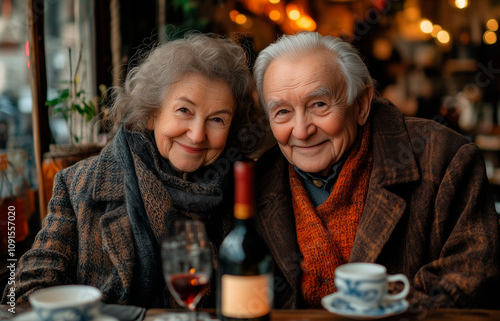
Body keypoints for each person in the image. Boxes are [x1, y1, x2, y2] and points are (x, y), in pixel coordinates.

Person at [2, 33, 256, 308]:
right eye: (184, 110)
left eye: (217, 119)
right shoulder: (77, 184)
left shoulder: (248, 190)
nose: (196, 135)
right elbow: (24, 293)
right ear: (150, 114)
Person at [252, 31, 500, 310]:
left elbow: (470, 282)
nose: (301, 130)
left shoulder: (445, 158)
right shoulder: (255, 183)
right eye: (282, 112)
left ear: (361, 104)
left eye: (319, 105)